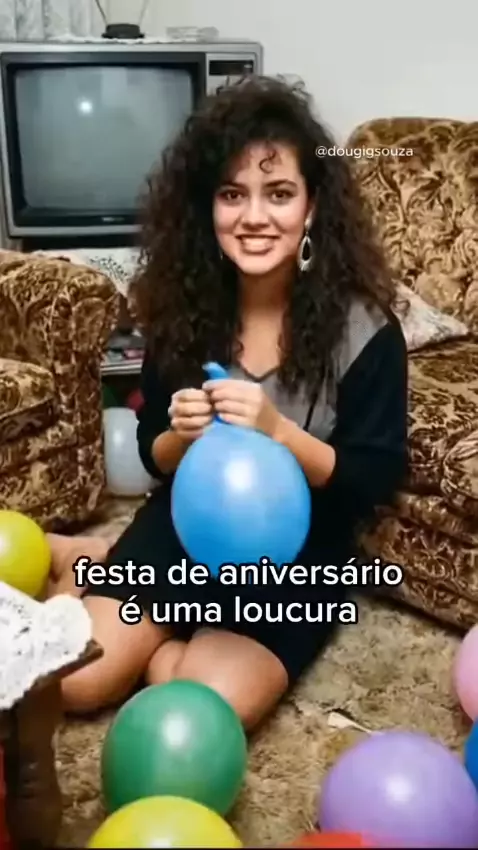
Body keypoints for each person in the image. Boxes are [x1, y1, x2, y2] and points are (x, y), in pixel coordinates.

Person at [60, 75, 408, 729]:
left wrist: (280, 433)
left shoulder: (367, 331)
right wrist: (180, 436)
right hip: (187, 529)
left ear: (311, 208)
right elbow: (154, 454)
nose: (253, 217)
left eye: (278, 193)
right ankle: (104, 573)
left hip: (299, 553)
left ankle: (100, 575)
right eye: (231, 194)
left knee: (201, 707)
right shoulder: (182, 310)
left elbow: (373, 478)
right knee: (76, 683)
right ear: (208, 208)